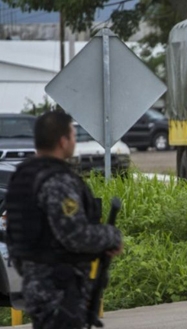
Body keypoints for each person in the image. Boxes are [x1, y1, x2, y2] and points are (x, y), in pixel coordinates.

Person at [4, 110, 123, 329]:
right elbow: (75, 235)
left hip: (34, 283)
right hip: (59, 289)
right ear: (62, 141)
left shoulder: (22, 177)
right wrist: (111, 236)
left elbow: (14, 233)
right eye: (73, 135)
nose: (75, 141)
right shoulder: (57, 181)